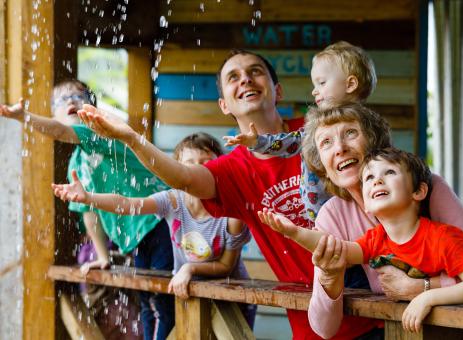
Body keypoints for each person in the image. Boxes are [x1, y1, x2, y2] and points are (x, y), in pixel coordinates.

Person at [75, 50, 382, 339]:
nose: (245, 79)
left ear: (278, 91)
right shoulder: (230, 170)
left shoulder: (323, 130)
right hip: (320, 322)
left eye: (255, 72)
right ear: (224, 105)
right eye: (233, 77)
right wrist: (131, 138)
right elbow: (181, 177)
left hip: (386, 299)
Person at [293, 103, 463, 339]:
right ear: (322, 165)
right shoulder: (333, 214)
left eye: (350, 133)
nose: (339, 148)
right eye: (326, 143)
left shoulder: (427, 187)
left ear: (373, 143)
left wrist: (422, 288)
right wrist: (329, 278)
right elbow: (323, 328)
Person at [0, 81, 174, 340]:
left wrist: (24, 116)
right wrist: (103, 256)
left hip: (162, 223)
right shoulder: (77, 162)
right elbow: (89, 214)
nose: (70, 101)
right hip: (135, 238)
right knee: (150, 302)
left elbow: (60, 131)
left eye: (78, 97)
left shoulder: (99, 135)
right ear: (53, 112)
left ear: (92, 108)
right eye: (61, 100)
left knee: (163, 302)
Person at [259, 147, 463, 334]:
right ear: (366, 205)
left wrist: (427, 297)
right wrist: (295, 232)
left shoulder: (445, 237)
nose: (377, 181)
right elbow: (336, 249)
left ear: (419, 192)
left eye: (389, 173)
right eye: (369, 177)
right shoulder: (376, 240)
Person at [52, 132, 257, 328]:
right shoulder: (172, 200)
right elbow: (127, 204)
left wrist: (189, 268)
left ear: (220, 166)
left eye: (206, 162)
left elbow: (225, 266)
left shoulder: (231, 213)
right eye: (189, 163)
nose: (197, 169)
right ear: (176, 170)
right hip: (191, 293)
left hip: (234, 301)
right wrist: (89, 198)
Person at [223, 41, 377, 222]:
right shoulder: (321, 124)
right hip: (323, 216)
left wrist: (258, 142)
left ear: (350, 84)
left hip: (348, 208)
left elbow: (382, 160)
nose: (314, 91)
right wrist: (258, 142)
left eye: (322, 83)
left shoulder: (367, 125)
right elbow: (292, 141)